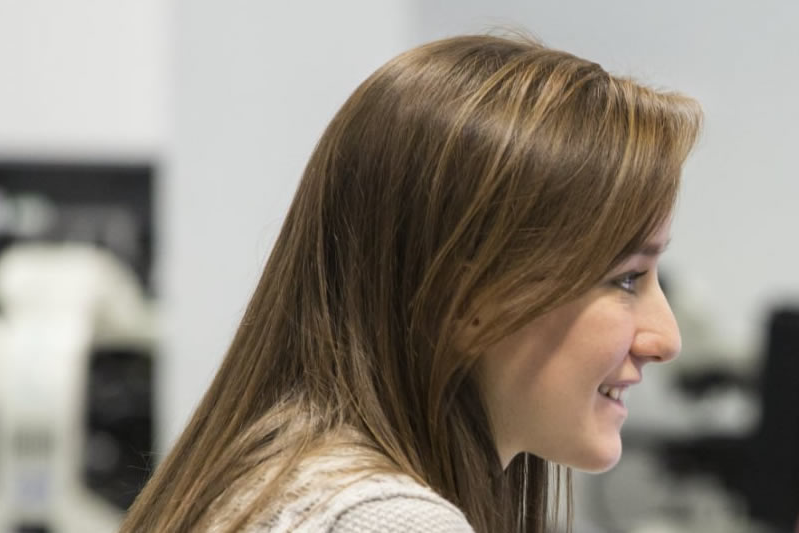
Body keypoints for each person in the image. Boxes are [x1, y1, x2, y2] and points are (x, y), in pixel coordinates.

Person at [120, 34, 702, 533]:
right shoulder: (388, 520)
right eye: (627, 278)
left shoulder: (277, 480)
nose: (665, 337)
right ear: (471, 297)